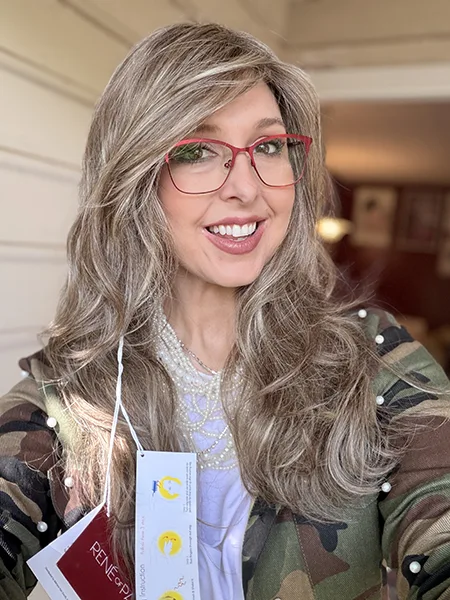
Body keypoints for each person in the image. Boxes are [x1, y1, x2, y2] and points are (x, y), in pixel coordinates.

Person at [0, 22, 449, 600]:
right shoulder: (62, 401)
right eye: (197, 150)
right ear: (134, 179)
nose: (246, 187)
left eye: (268, 146)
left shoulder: (376, 363)